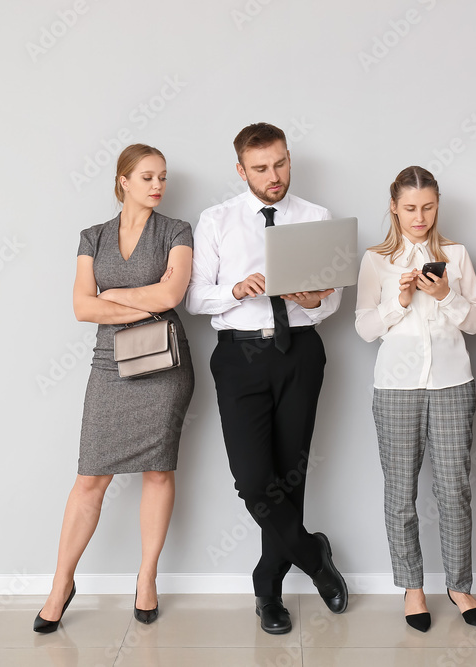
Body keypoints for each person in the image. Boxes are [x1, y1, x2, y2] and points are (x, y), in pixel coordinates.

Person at [185, 122, 347, 636]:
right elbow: (194, 299)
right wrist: (235, 289)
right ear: (241, 170)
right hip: (240, 356)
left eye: (280, 164)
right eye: (260, 168)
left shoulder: (316, 217)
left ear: (288, 158)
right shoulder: (216, 220)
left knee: (289, 474)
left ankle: (268, 591)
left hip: (300, 351)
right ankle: (312, 555)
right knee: (254, 481)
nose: (273, 176)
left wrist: (314, 299)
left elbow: (333, 298)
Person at [33, 144, 195, 633]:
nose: (157, 185)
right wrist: (146, 303)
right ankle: (62, 583)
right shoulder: (92, 237)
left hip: (165, 363)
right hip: (110, 365)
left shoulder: (177, 231)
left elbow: (173, 295)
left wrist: (118, 297)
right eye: (147, 177)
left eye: (162, 177)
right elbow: (82, 308)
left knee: (158, 472)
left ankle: (146, 579)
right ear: (123, 180)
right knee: (89, 479)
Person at [354, 166, 476, 632]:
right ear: (394, 206)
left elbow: (475, 323)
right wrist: (399, 302)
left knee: (455, 489)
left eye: (428, 207)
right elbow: (364, 327)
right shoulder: (375, 260)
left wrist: (447, 294)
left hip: (453, 383)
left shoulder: (456, 254)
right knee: (400, 492)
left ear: (437, 205)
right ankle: (413, 588)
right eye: (410, 208)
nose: (419, 217)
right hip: (395, 389)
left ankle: (459, 584)